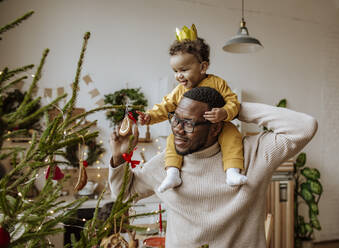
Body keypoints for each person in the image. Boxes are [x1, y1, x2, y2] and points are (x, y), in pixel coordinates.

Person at [109, 87, 318, 248]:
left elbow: (305, 127)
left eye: (188, 124)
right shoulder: (167, 162)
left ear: (216, 126)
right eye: (175, 120)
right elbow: (123, 193)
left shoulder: (254, 154)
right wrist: (118, 156)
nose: (178, 131)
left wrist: (233, 109)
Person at [136, 24, 246, 193]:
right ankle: (172, 173)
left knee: (232, 135)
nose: (179, 75)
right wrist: (149, 117)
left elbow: (233, 102)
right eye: (175, 71)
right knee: (173, 139)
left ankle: (232, 171)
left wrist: (224, 112)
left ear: (203, 67)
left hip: (217, 127)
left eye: (184, 70)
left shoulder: (217, 83)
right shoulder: (179, 91)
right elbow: (165, 106)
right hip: (193, 135)